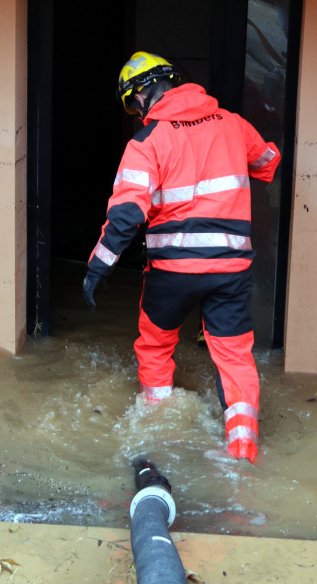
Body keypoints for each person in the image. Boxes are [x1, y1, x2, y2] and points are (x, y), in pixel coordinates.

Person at [82, 51, 281, 463]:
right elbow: (267, 163)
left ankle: (159, 432)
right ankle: (243, 450)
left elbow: (126, 216)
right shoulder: (232, 123)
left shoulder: (146, 143)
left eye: (132, 104)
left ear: (142, 95)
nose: (136, 113)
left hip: (172, 273)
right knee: (234, 357)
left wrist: (98, 267)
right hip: (231, 270)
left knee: (155, 348)